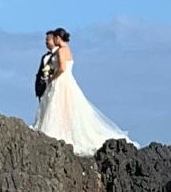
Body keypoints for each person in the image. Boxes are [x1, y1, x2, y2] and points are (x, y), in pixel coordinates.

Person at [33, 27, 130, 156]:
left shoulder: (61, 50)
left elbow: (61, 68)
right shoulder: (68, 50)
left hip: (61, 81)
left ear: (57, 38)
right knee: (66, 108)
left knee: (57, 107)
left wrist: (52, 77)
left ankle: (57, 133)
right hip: (68, 81)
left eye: (54, 38)